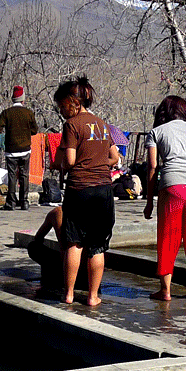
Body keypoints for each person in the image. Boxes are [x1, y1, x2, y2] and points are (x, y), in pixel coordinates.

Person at [51, 76, 120, 306]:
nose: (62, 111)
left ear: (73, 102)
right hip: (103, 190)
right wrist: (98, 164)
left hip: (79, 188)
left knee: (74, 243)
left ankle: (69, 294)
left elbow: (69, 160)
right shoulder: (102, 124)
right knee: (97, 244)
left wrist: (62, 163)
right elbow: (114, 156)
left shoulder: (72, 125)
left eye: (63, 106)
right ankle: (93, 296)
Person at [143, 95, 186, 301]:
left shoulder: (156, 132)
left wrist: (149, 202)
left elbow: (153, 167)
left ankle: (165, 291)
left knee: (168, 237)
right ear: (185, 111)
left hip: (172, 185)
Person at [0, 85, 39, 210]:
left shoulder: (7, 113)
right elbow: (35, 131)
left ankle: (11, 203)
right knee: (24, 175)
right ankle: (24, 202)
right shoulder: (28, 113)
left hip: (11, 150)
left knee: (12, 176)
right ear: (23, 100)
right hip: (25, 149)